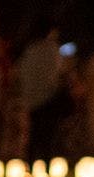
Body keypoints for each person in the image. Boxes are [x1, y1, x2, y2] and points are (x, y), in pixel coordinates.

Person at [16, 26, 68, 161]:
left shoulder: (31, 50)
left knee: (35, 132)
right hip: (48, 97)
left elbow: (23, 72)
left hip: (33, 98)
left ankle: (31, 162)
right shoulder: (52, 50)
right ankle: (46, 163)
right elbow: (59, 72)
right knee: (48, 134)